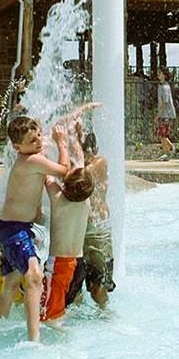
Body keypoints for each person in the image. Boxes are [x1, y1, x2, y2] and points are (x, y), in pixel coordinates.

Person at [0, 115, 70, 343]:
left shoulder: (32, 158)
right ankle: (33, 341)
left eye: (38, 136)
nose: (37, 142)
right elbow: (64, 170)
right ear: (17, 147)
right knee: (34, 276)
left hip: (10, 228)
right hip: (15, 230)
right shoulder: (32, 161)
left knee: (11, 284)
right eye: (31, 140)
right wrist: (62, 143)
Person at [40, 166, 94, 323]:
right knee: (63, 309)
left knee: (48, 317)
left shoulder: (58, 200)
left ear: (65, 185)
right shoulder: (86, 202)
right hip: (79, 264)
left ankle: (61, 343)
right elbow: (79, 183)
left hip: (60, 266)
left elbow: (46, 174)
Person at [81, 131, 116, 307]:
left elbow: (81, 173)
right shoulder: (85, 165)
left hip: (97, 229)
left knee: (99, 283)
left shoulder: (96, 164)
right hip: (87, 230)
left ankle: (105, 315)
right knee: (75, 281)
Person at [156, 67, 176, 160]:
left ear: (164, 75)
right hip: (164, 114)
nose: (158, 74)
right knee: (162, 134)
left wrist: (158, 115)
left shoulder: (165, 87)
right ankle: (172, 148)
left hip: (165, 114)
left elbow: (165, 102)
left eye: (159, 73)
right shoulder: (162, 86)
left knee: (162, 134)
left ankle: (167, 153)